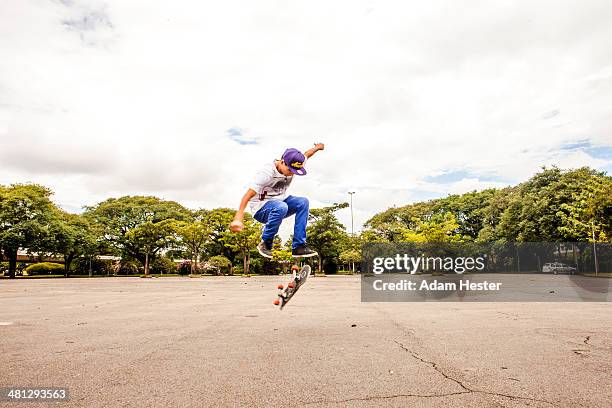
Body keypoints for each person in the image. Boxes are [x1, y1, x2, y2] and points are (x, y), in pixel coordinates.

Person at [230, 143, 324, 258]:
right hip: (261, 209)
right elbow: (247, 196)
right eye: (290, 170)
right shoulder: (266, 173)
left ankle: (299, 246)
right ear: (282, 161)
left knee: (303, 202)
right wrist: (238, 218)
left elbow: (307, 154)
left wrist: (318, 147)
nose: (291, 173)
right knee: (281, 206)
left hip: (281, 203)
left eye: (295, 171)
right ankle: (266, 243)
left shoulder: (297, 162)